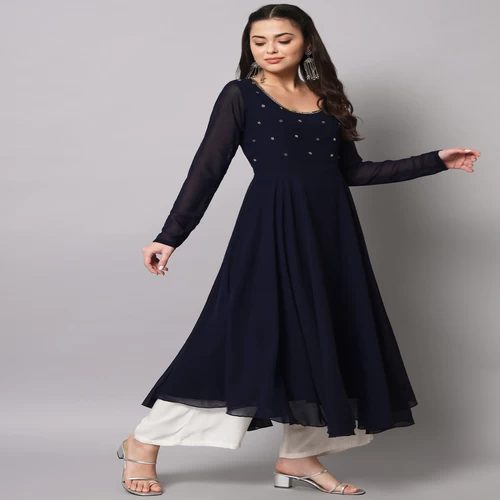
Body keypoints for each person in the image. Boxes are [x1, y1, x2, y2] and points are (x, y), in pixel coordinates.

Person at [117, 4, 480, 496]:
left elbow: (352, 173)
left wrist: (434, 160)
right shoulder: (240, 95)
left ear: (307, 43)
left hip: (331, 234)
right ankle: (143, 443)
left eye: (282, 39)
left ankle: (299, 457)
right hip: (270, 229)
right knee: (239, 337)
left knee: (323, 337)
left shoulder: (327, 98)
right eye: (259, 41)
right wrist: (170, 235)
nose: (269, 49)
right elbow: (207, 168)